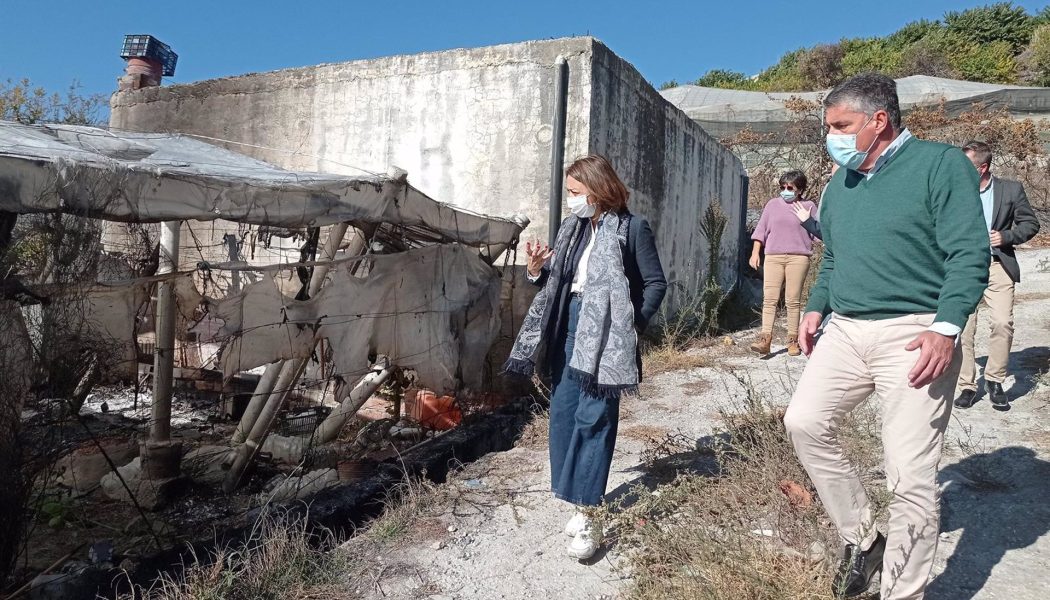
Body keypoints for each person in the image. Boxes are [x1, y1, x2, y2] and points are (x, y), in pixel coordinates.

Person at [783, 73, 988, 600]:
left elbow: (969, 252)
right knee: (804, 422)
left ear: (879, 120)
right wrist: (814, 306)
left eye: (841, 125)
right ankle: (863, 539)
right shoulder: (839, 184)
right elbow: (835, 257)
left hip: (915, 332)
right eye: (828, 127)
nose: (831, 136)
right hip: (846, 330)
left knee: (910, 478)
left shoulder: (941, 165)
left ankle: (903, 592)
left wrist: (946, 329)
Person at [504, 154, 666, 561]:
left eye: (576, 192)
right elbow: (559, 282)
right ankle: (574, 495)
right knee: (562, 416)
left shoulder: (632, 228)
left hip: (608, 338)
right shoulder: (572, 229)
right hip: (568, 328)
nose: (571, 200)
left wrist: (632, 327)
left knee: (594, 421)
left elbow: (655, 284)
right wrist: (537, 268)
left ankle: (589, 511)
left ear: (598, 189)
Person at [954, 140, 1041, 410]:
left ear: (982, 168)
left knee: (1002, 323)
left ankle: (994, 380)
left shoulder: (1010, 190)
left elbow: (1030, 224)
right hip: (963, 267)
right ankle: (966, 385)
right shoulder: (953, 190)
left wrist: (1007, 236)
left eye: (965, 166)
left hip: (997, 264)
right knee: (963, 328)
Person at [748, 170, 818, 356]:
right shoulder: (772, 205)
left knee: (792, 301)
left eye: (790, 188)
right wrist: (755, 253)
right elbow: (761, 230)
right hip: (773, 257)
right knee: (770, 299)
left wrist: (808, 218)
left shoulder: (808, 206)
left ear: (800, 189)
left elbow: (819, 232)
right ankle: (765, 339)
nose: (785, 191)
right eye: (782, 187)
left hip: (799, 257)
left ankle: (792, 341)